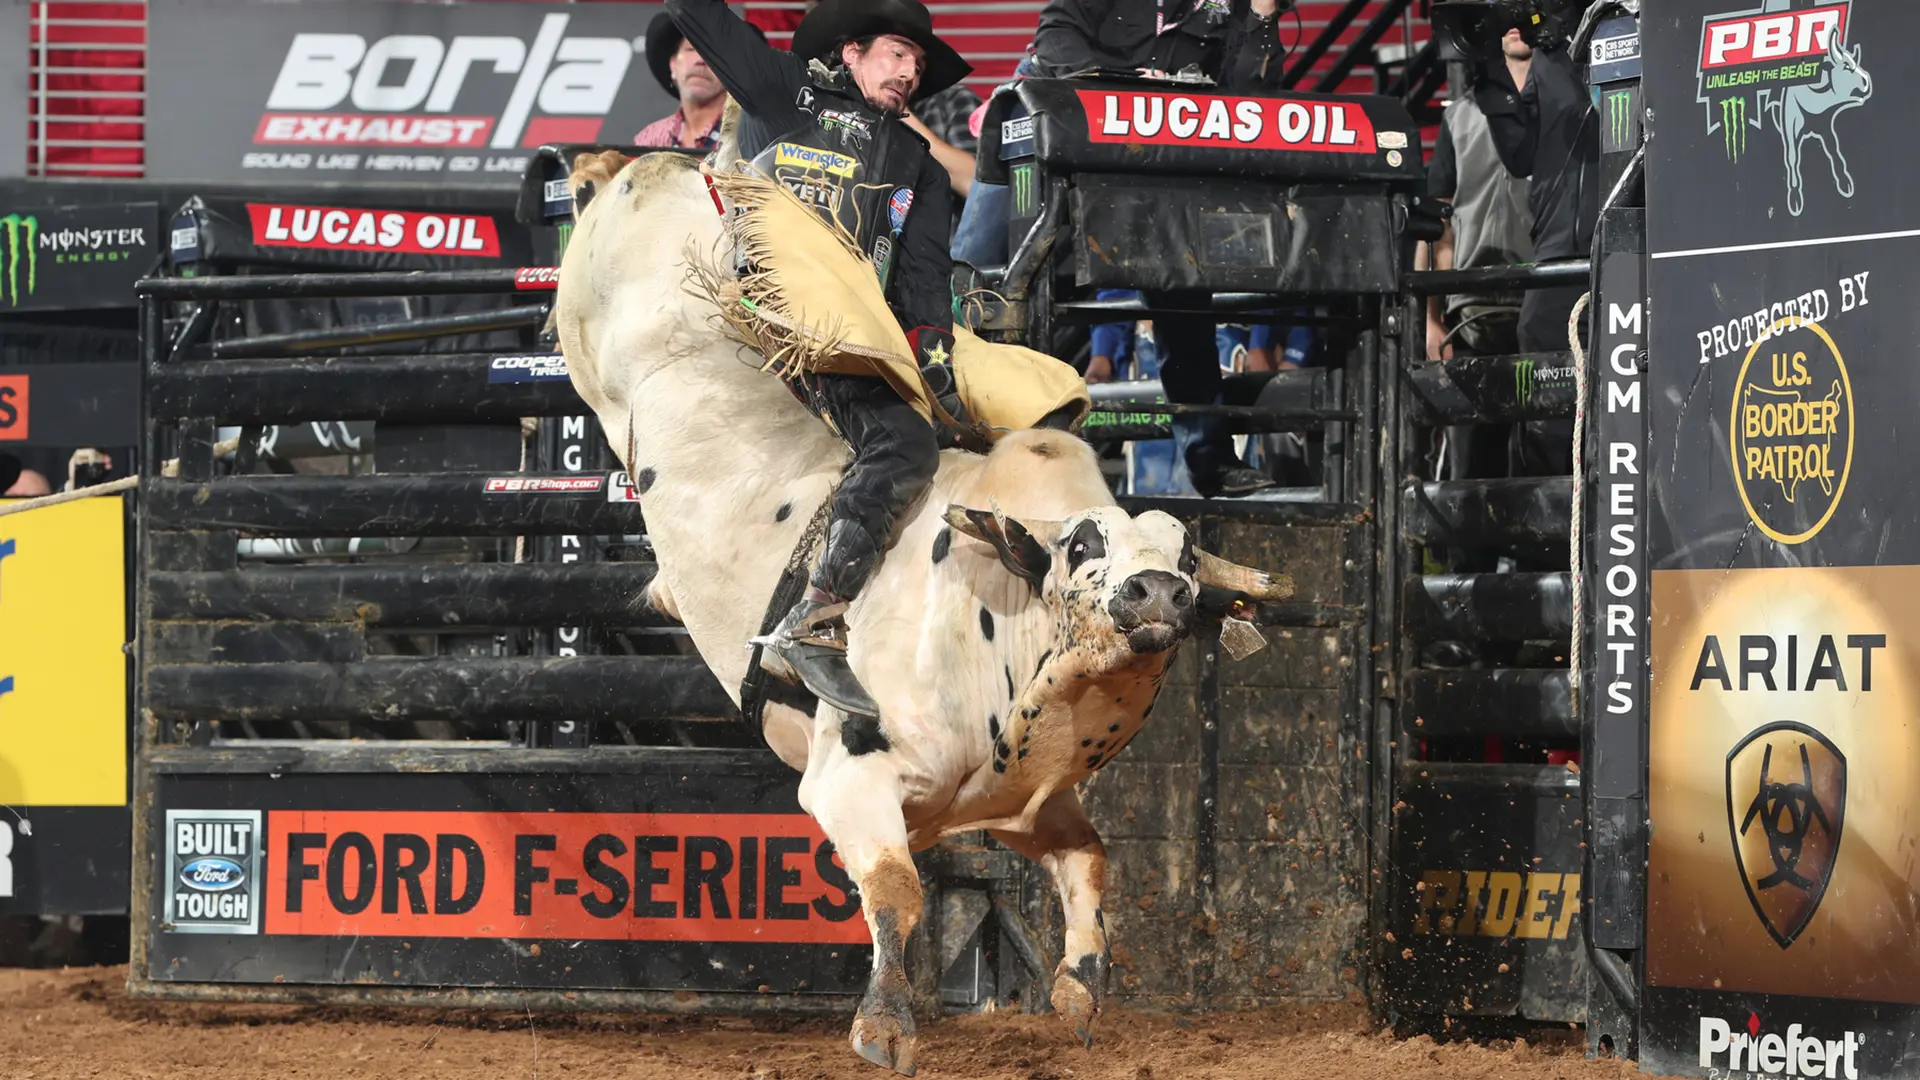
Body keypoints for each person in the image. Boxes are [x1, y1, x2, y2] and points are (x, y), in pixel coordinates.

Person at [666, 0, 971, 717]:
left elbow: (925, 277)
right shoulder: (782, 91)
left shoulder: (917, 163)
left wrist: (936, 358)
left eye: (919, 65)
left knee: (966, 427)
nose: (909, 71)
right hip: (775, 310)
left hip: (853, 326)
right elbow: (705, 20)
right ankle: (815, 618)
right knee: (902, 442)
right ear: (852, 51)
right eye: (898, 53)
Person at [1031, 0, 1287, 498]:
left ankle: (1209, 457)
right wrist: (1126, 83)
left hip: (1148, 148)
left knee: (1182, 283)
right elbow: (1054, 37)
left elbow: (1252, 95)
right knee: (988, 271)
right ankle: (970, 430)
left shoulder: (1232, 10)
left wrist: (1261, 15)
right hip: (1054, 119)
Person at [1479, 22, 1598, 477]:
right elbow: (1519, 154)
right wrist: (1488, 68)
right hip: (1556, 256)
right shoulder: (1545, 59)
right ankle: (1547, 537)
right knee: (1547, 405)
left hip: (1628, 244)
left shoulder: (1623, 26)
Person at [1422, 36, 1535, 490]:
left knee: (1542, 456)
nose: (1514, 26)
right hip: (1470, 315)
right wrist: (1432, 319)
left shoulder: (1570, 104)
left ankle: (1541, 562)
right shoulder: (1460, 116)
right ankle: (1472, 563)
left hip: (1544, 306)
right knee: (1472, 468)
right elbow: (1439, 227)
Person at [634, 13, 759, 150]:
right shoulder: (649, 139)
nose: (701, 60)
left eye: (713, 54)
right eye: (692, 49)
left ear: (731, 72)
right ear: (673, 64)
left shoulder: (751, 139)